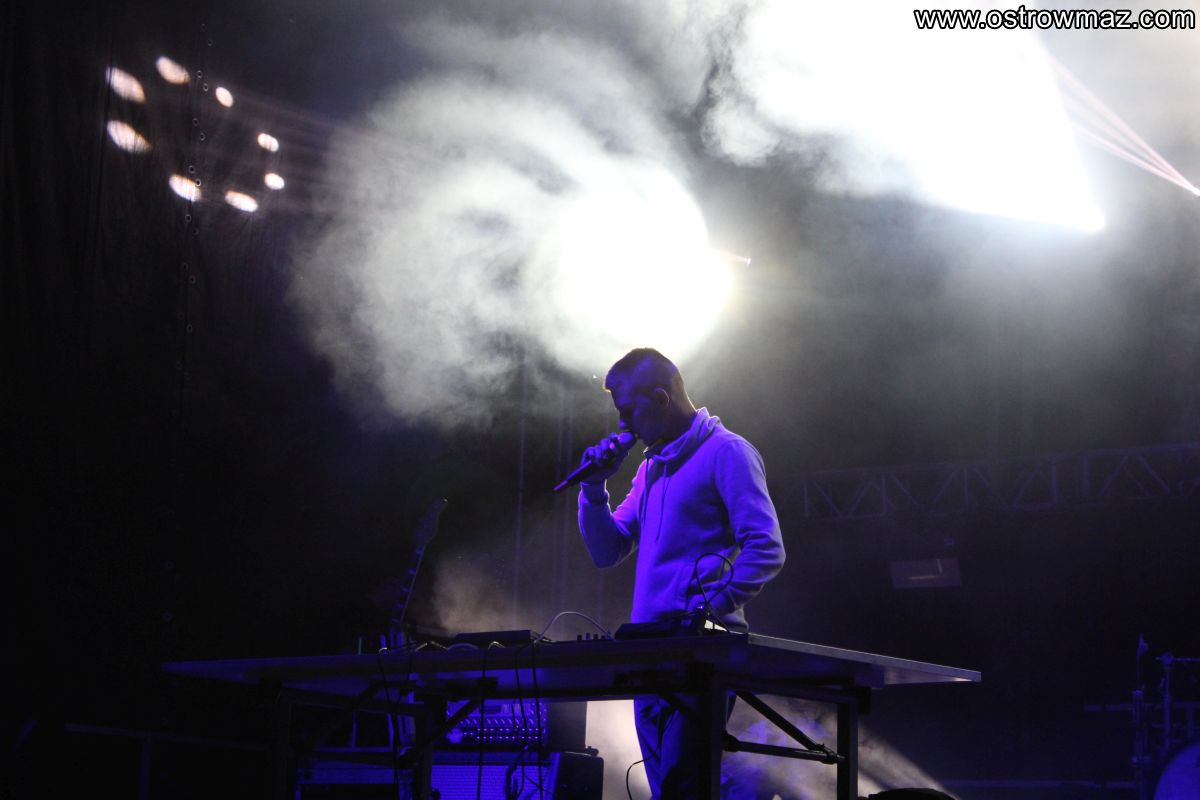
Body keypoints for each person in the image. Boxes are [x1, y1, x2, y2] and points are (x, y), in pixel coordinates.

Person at [576, 348, 786, 799]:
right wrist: (594, 487)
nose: (623, 425)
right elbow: (606, 550)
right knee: (668, 790)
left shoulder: (727, 452)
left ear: (660, 398)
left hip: (701, 654)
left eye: (628, 410)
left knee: (683, 787)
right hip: (650, 652)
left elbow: (766, 546)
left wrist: (710, 611)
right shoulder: (651, 468)